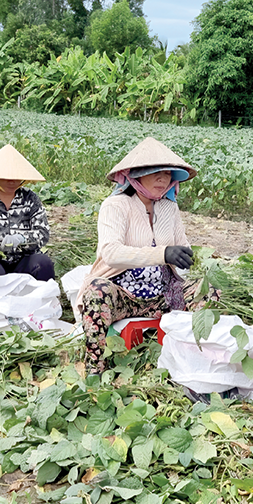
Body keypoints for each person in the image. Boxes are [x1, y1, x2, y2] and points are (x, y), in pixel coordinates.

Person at [78, 137, 196, 376]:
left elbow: (182, 244)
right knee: (96, 290)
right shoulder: (116, 206)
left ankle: (190, 361)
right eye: (156, 173)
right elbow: (110, 253)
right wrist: (162, 253)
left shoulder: (169, 208)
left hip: (164, 295)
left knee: (210, 289)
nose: (164, 179)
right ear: (135, 176)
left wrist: (186, 258)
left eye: (168, 173)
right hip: (124, 296)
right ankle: (95, 369)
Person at [0, 144, 54, 282]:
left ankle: (34, 301)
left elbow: (42, 233)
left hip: (24, 258)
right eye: (6, 177)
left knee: (44, 265)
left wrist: (22, 239)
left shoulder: (30, 198)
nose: (12, 181)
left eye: (16, 177)